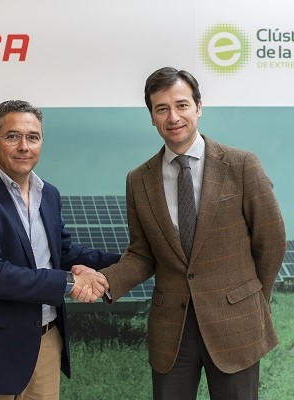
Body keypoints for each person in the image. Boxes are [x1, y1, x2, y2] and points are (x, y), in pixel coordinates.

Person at [82, 67, 286, 399]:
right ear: (152, 117)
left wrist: (251, 299)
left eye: (181, 105)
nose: (173, 117)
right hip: (172, 330)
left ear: (198, 107)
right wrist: (105, 280)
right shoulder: (139, 180)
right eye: (162, 109)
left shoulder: (241, 165)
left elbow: (271, 241)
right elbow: (142, 255)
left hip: (236, 322)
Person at [0, 100, 120, 400]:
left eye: (33, 137)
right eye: (12, 136)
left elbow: (63, 253)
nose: (24, 146)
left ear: (41, 143)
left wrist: (130, 260)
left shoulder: (48, 194)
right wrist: (69, 282)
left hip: (46, 343)